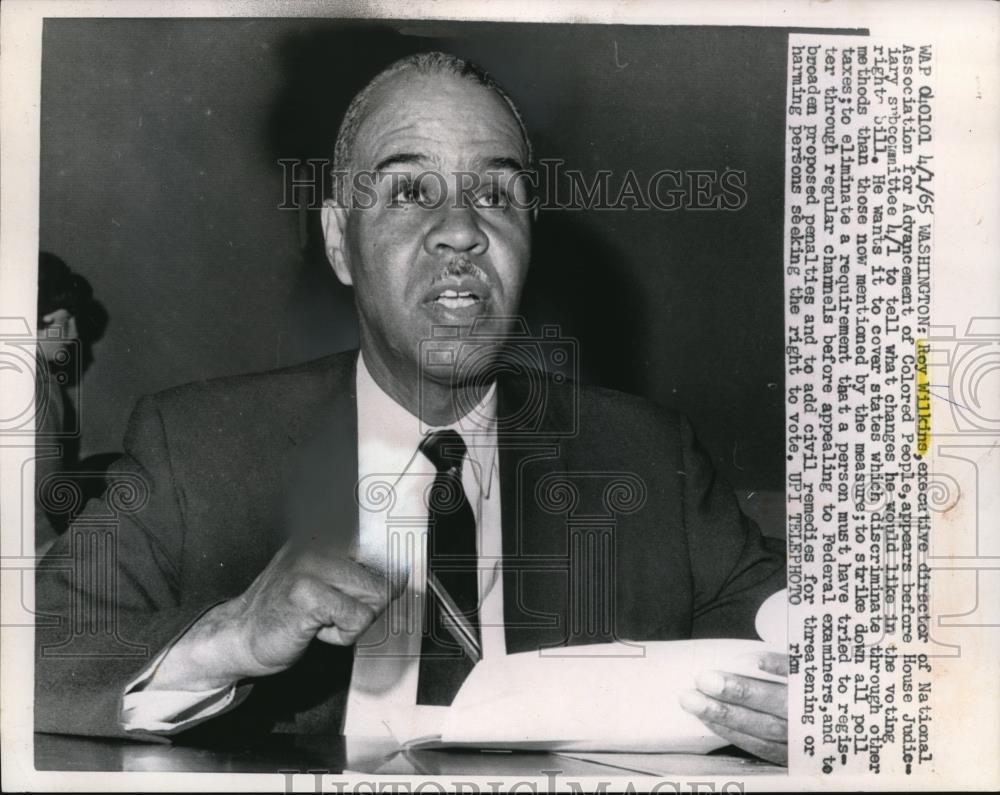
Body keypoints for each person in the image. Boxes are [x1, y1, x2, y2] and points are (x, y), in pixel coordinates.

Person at [35, 52, 788, 764]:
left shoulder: (650, 457)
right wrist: (229, 635)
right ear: (338, 241)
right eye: (407, 192)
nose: (462, 230)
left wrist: (818, 716)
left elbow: (812, 652)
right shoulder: (194, 447)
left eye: (496, 194)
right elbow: (29, 652)